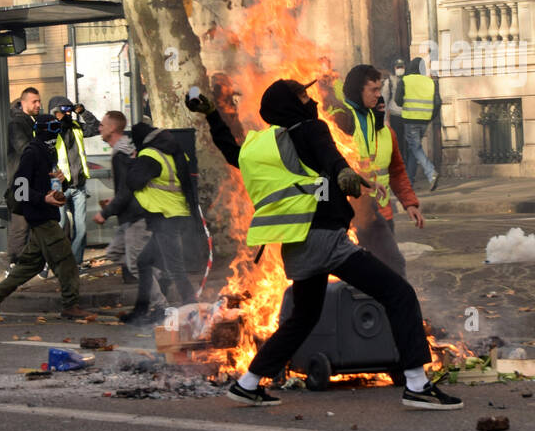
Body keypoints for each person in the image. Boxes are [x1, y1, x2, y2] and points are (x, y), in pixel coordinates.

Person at [191, 78, 461, 410]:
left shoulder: (266, 146)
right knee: (399, 294)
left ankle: (248, 383)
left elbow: (231, 151)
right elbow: (329, 154)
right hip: (326, 239)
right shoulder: (312, 129)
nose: (311, 100)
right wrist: (343, 172)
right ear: (292, 104)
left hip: (296, 243)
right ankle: (417, 386)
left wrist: (212, 116)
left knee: (304, 316)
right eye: (302, 95)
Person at [0, 114, 95, 320]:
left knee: (31, 264)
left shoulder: (47, 153)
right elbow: (20, 189)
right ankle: (70, 305)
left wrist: (62, 182)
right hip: (40, 216)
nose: (56, 132)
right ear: (43, 130)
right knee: (66, 261)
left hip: (45, 213)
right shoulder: (32, 153)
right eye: (53, 128)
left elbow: (48, 184)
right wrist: (44, 199)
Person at [334, 64, 423, 277]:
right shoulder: (340, 121)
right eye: (373, 90)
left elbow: (397, 171)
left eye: (379, 89)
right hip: (350, 216)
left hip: (381, 213)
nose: (378, 95)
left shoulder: (384, 129)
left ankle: (389, 309)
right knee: (357, 276)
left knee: (392, 268)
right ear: (358, 90)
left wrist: (410, 203)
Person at [104, 122, 197, 325]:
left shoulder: (150, 156)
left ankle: (194, 310)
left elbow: (134, 181)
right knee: (143, 262)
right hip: (170, 216)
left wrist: (133, 162)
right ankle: (142, 310)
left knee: (176, 268)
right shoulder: (169, 152)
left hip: (165, 217)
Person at [92, 111, 166, 311]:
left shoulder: (122, 154)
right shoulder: (122, 151)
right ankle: (159, 276)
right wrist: (115, 200)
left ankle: (161, 306)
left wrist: (105, 212)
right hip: (128, 215)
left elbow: (128, 189)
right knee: (115, 252)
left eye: (103, 124)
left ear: (113, 128)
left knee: (135, 264)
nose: (99, 128)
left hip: (136, 216)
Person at [48, 96, 100, 267]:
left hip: (79, 186)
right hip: (59, 186)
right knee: (60, 225)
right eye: (63, 110)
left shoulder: (76, 126)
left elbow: (96, 127)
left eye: (70, 110)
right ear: (54, 112)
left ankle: (75, 264)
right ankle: (52, 262)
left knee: (81, 229)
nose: (68, 113)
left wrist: (83, 112)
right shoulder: (48, 130)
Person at [6, 87, 43, 265]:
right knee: (20, 224)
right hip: (20, 180)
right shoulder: (17, 123)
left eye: (39, 101)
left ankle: (25, 262)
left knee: (33, 221)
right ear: (23, 103)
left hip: (31, 179)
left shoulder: (32, 121)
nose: (38, 104)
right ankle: (15, 263)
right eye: (34, 101)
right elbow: (24, 149)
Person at [395, 56, 441, 191]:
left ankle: (431, 172)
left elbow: (397, 100)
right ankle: (408, 182)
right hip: (425, 120)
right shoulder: (430, 82)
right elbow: (437, 102)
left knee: (415, 148)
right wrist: (430, 116)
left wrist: (406, 104)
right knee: (412, 149)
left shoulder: (405, 80)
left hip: (410, 119)